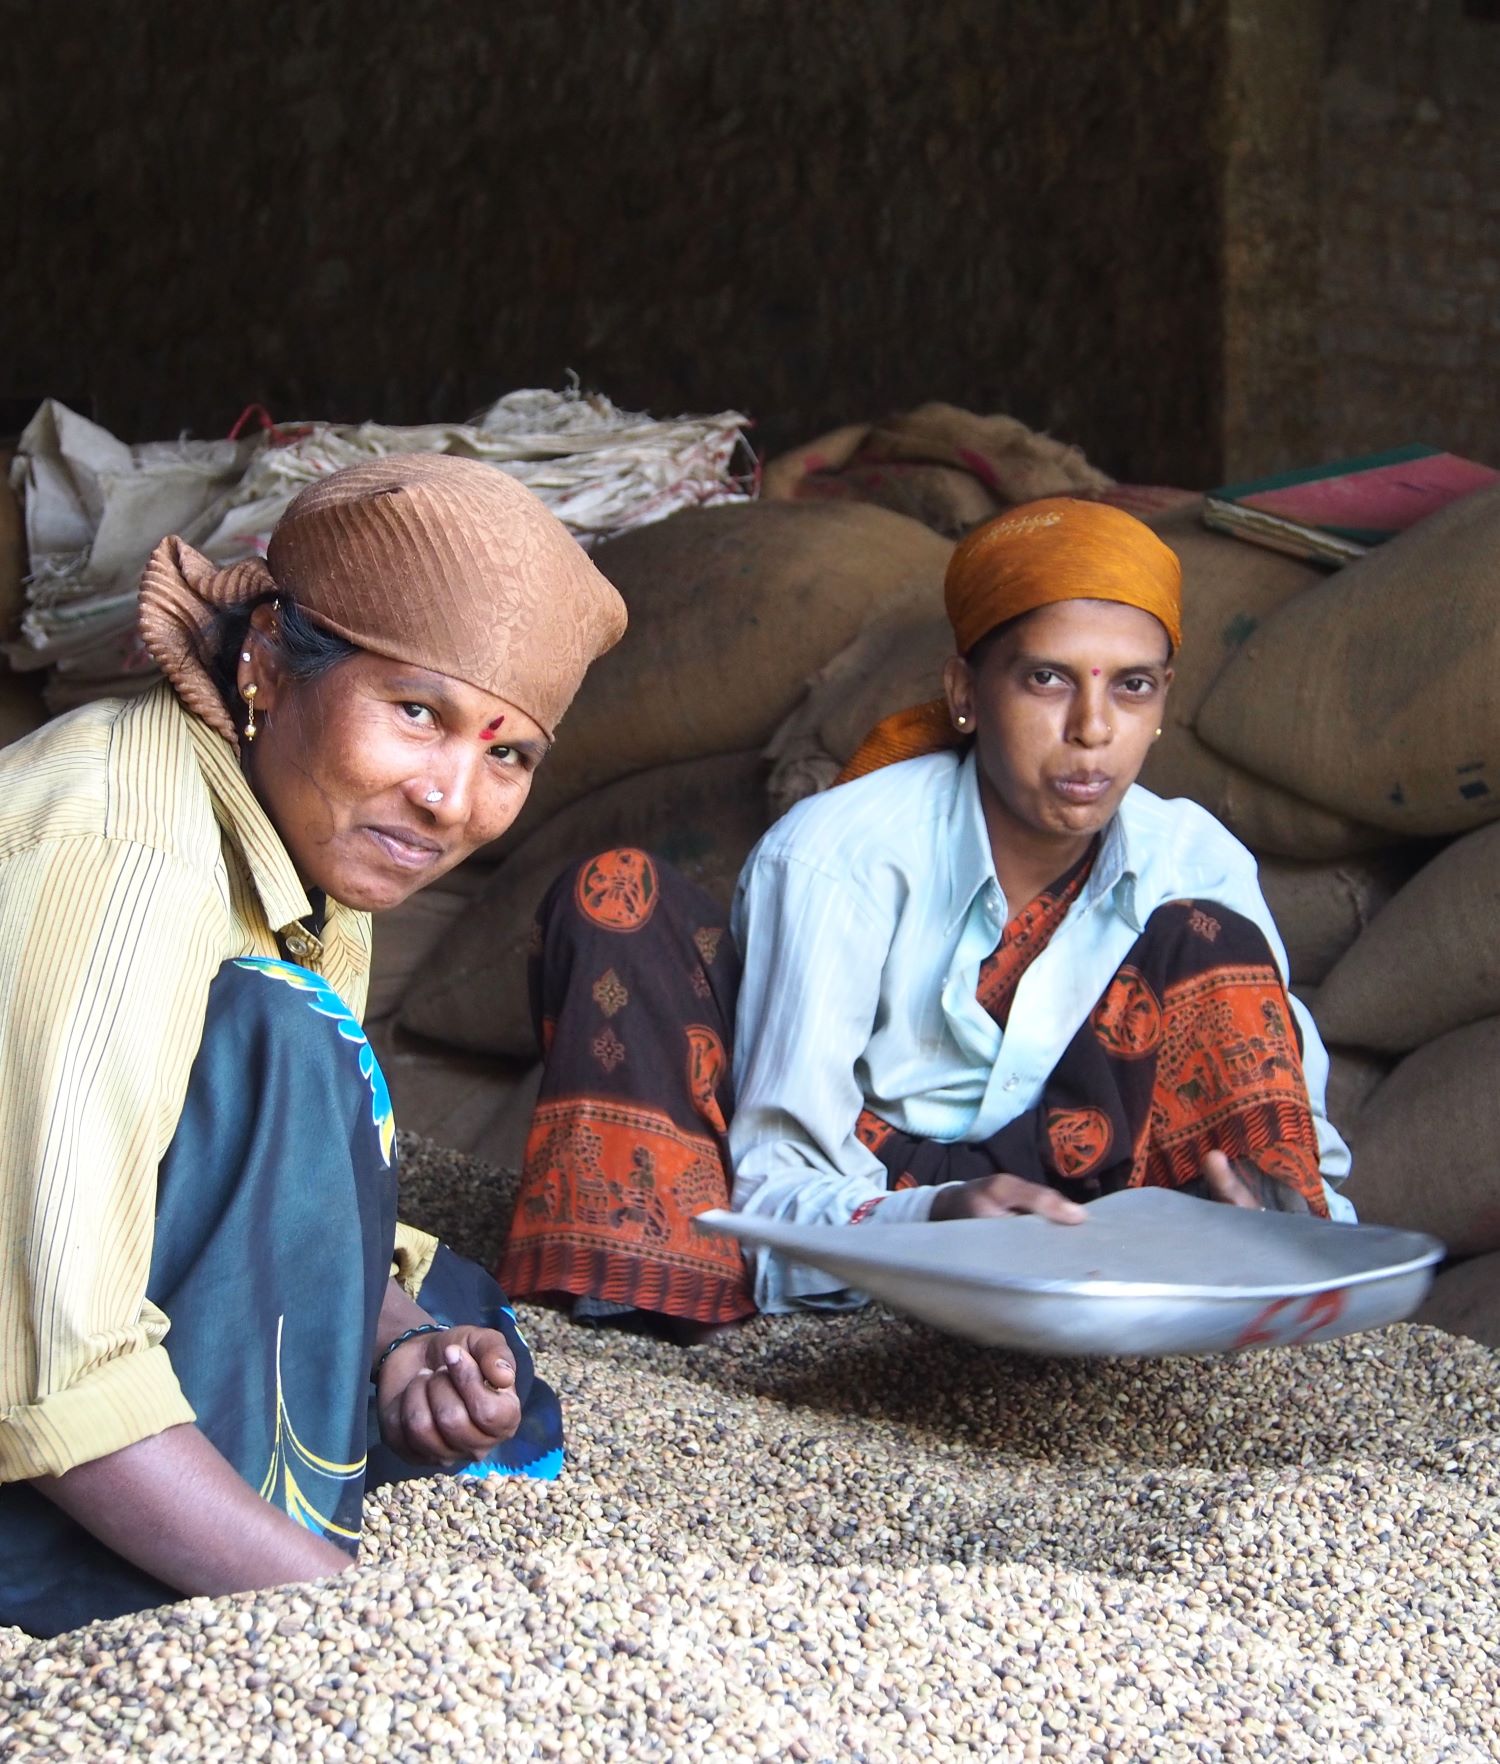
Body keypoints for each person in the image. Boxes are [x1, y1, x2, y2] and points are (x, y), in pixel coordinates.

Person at [0, 453, 626, 1636]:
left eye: (507, 755)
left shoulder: (299, 835)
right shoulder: (121, 859)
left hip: (81, 1271)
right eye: (415, 713)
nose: (452, 798)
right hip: (29, 1357)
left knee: (448, 1308)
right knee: (279, 1037)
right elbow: (48, 1369)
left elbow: (307, 1176)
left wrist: (397, 1344)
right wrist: (339, 1616)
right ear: (267, 662)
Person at [500, 497, 1352, 1328]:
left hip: (1081, 1213)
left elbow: (1294, 1134)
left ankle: (1233, 1286)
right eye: (1047, 678)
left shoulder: (1195, 862)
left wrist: (1272, 1198)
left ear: (1164, 702)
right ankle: (650, 1301)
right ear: (966, 692)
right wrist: (940, 1218)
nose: (1093, 729)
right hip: (876, 1195)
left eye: (1132, 688)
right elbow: (775, 1182)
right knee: (614, 891)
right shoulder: (840, 854)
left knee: (1210, 938)